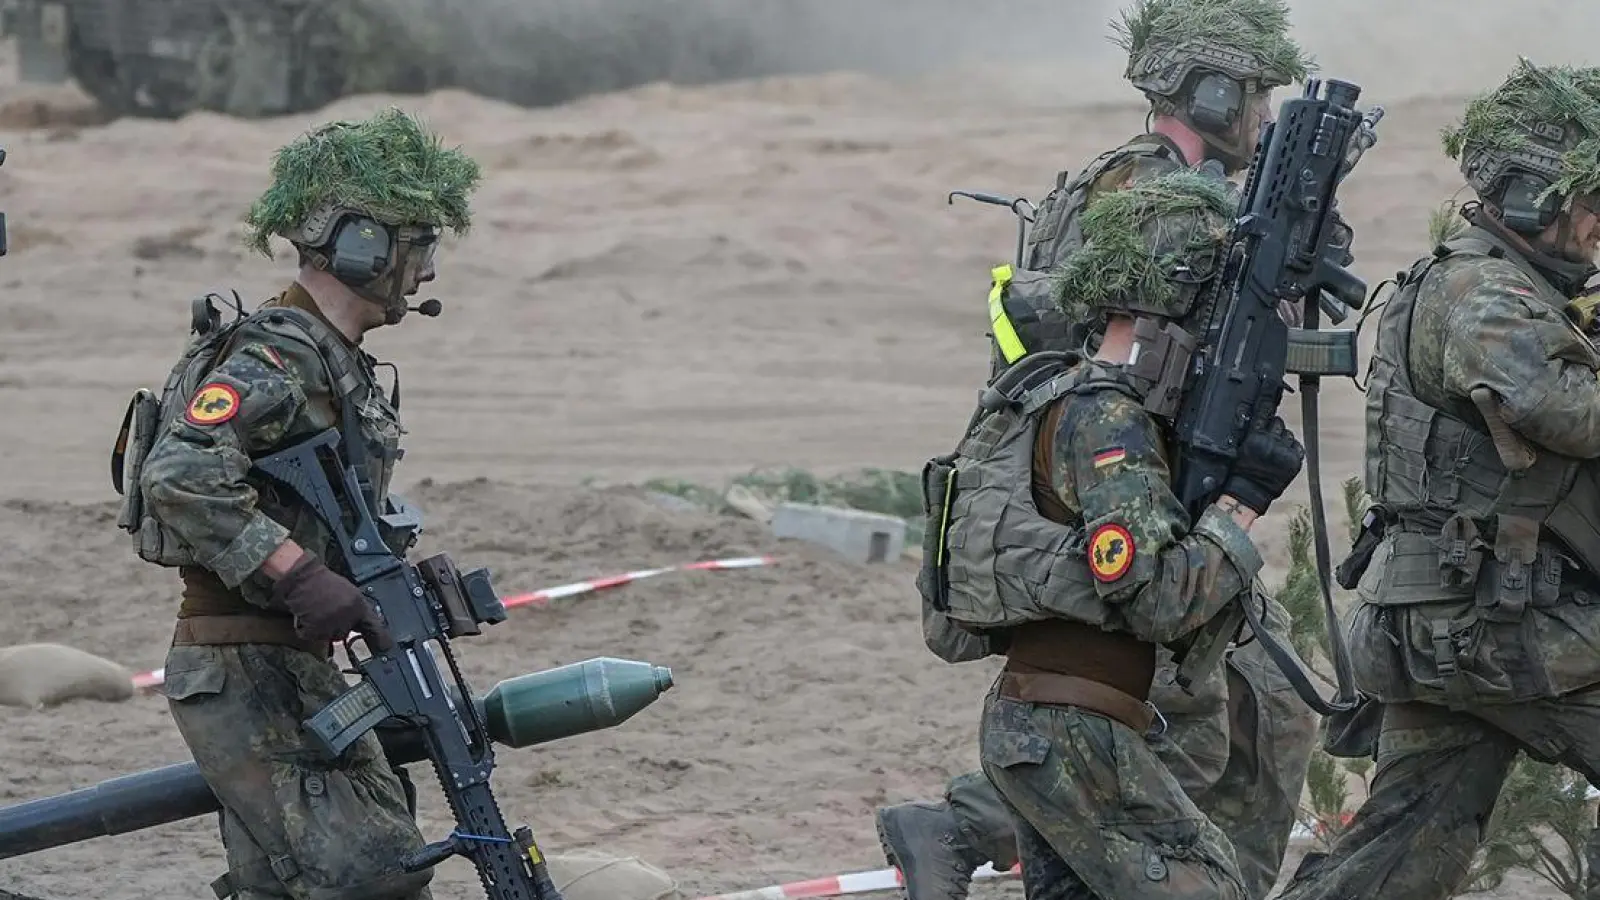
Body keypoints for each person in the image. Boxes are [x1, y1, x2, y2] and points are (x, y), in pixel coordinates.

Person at [878, 2, 1323, 896]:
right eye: (1254, 95)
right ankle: (972, 824)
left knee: (1262, 706)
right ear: (1209, 91)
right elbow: (1112, 343)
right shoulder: (1140, 194)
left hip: (1150, 479)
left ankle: (997, 829)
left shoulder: (1145, 186)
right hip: (1118, 481)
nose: (1263, 116)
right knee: (1176, 710)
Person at [131, 107, 481, 900]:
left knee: (297, 884)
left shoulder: (330, 357)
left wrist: (386, 579)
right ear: (361, 245)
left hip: (285, 660)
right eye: (414, 247)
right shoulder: (279, 354)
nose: (423, 272)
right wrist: (299, 575)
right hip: (242, 660)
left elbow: (313, 505)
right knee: (371, 875)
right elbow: (179, 473)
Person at [1274, 57, 1600, 900]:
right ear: (1533, 197)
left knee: (1394, 863)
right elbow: (1569, 413)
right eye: (1591, 200)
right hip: (1500, 631)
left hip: (1453, 626)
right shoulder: (1482, 293)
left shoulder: (1496, 286)